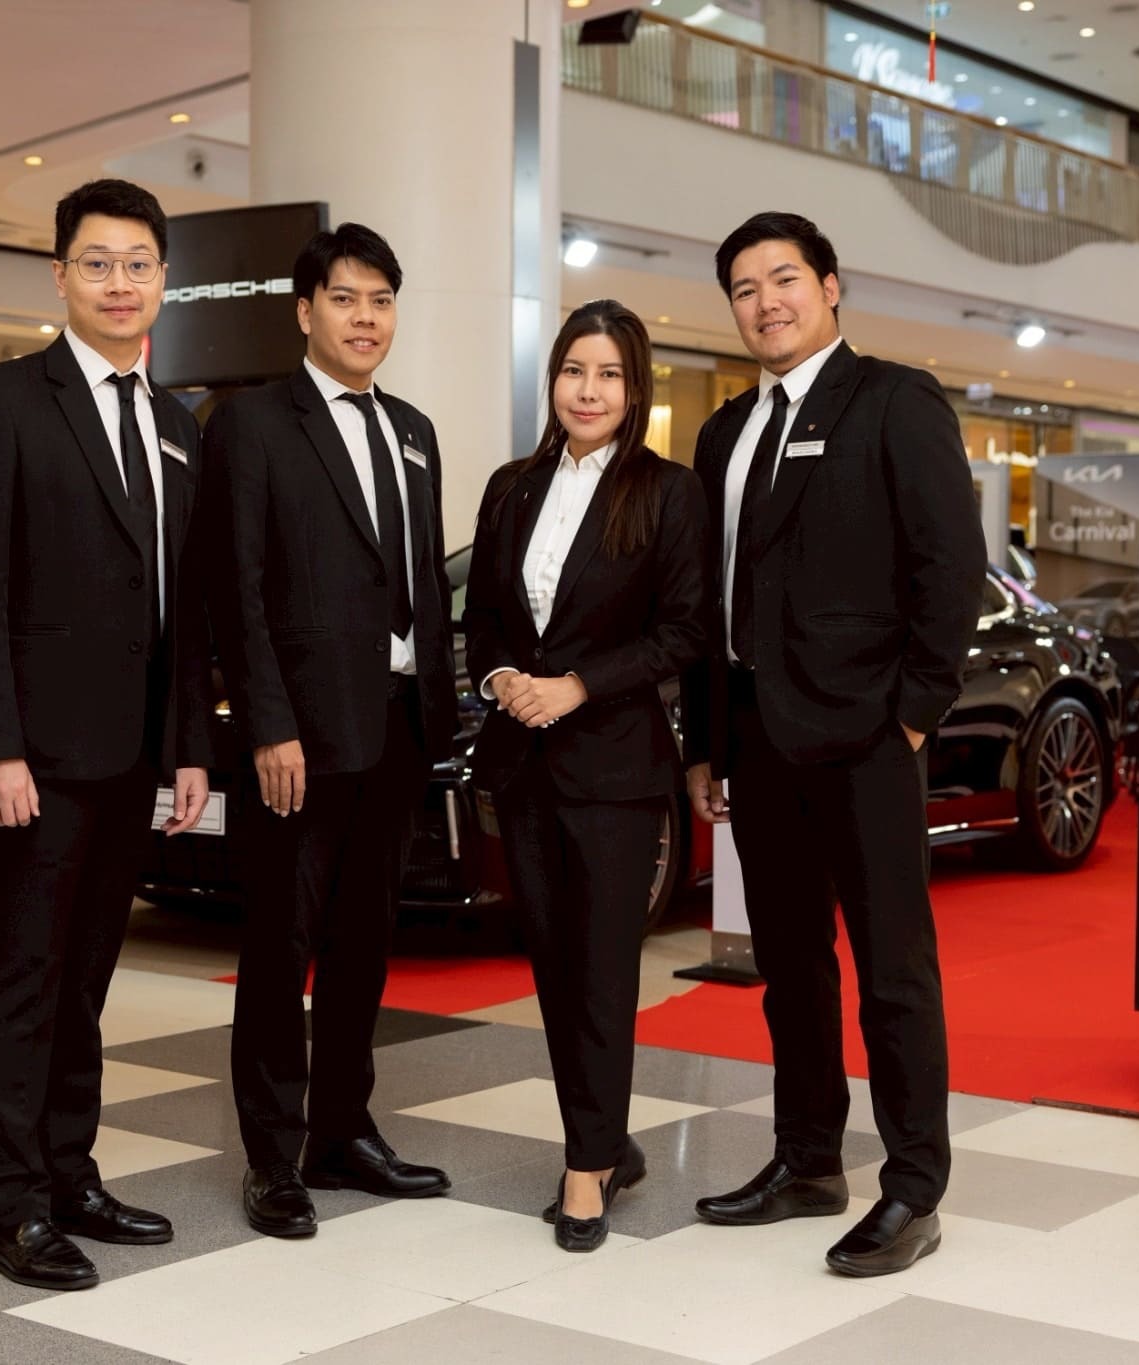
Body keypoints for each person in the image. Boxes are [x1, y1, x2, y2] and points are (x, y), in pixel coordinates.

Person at [680, 211, 985, 1277]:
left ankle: (913, 1187)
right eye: (744, 288)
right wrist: (705, 739)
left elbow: (949, 566)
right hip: (755, 740)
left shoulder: (894, 400)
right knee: (790, 968)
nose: (765, 302)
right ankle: (808, 1159)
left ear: (829, 285)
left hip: (865, 738)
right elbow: (708, 601)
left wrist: (913, 712)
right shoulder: (723, 433)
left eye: (784, 279)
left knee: (892, 971)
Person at [0, 178, 214, 1291]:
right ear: (59, 276)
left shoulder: (178, 423)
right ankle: (8, 1207)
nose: (118, 282)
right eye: (97, 263)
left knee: (87, 978)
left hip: (132, 753)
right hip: (34, 759)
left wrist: (188, 745)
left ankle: (68, 1174)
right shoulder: (1, 399)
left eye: (138, 264)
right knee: (22, 978)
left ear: (163, 280)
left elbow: (183, 607)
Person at [200, 223, 459, 1239]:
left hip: (397, 725)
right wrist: (268, 723)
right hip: (299, 738)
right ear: (305, 310)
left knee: (364, 944)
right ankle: (273, 1157)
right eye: (345, 299)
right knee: (281, 946)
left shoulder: (414, 430)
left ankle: (343, 1131)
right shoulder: (253, 423)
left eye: (381, 300)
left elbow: (421, 581)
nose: (365, 318)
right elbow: (236, 586)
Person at [462, 299, 708, 1252]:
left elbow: (684, 631)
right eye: (574, 371)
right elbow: (484, 615)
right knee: (556, 971)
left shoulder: (668, 492)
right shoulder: (511, 486)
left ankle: (585, 1170)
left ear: (634, 388)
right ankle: (603, 1139)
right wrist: (501, 679)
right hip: (523, 764)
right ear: (553, 380)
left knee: (603, 969)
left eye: (609, 374)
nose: (589, 390)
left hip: (615, 768)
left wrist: (576, 686)